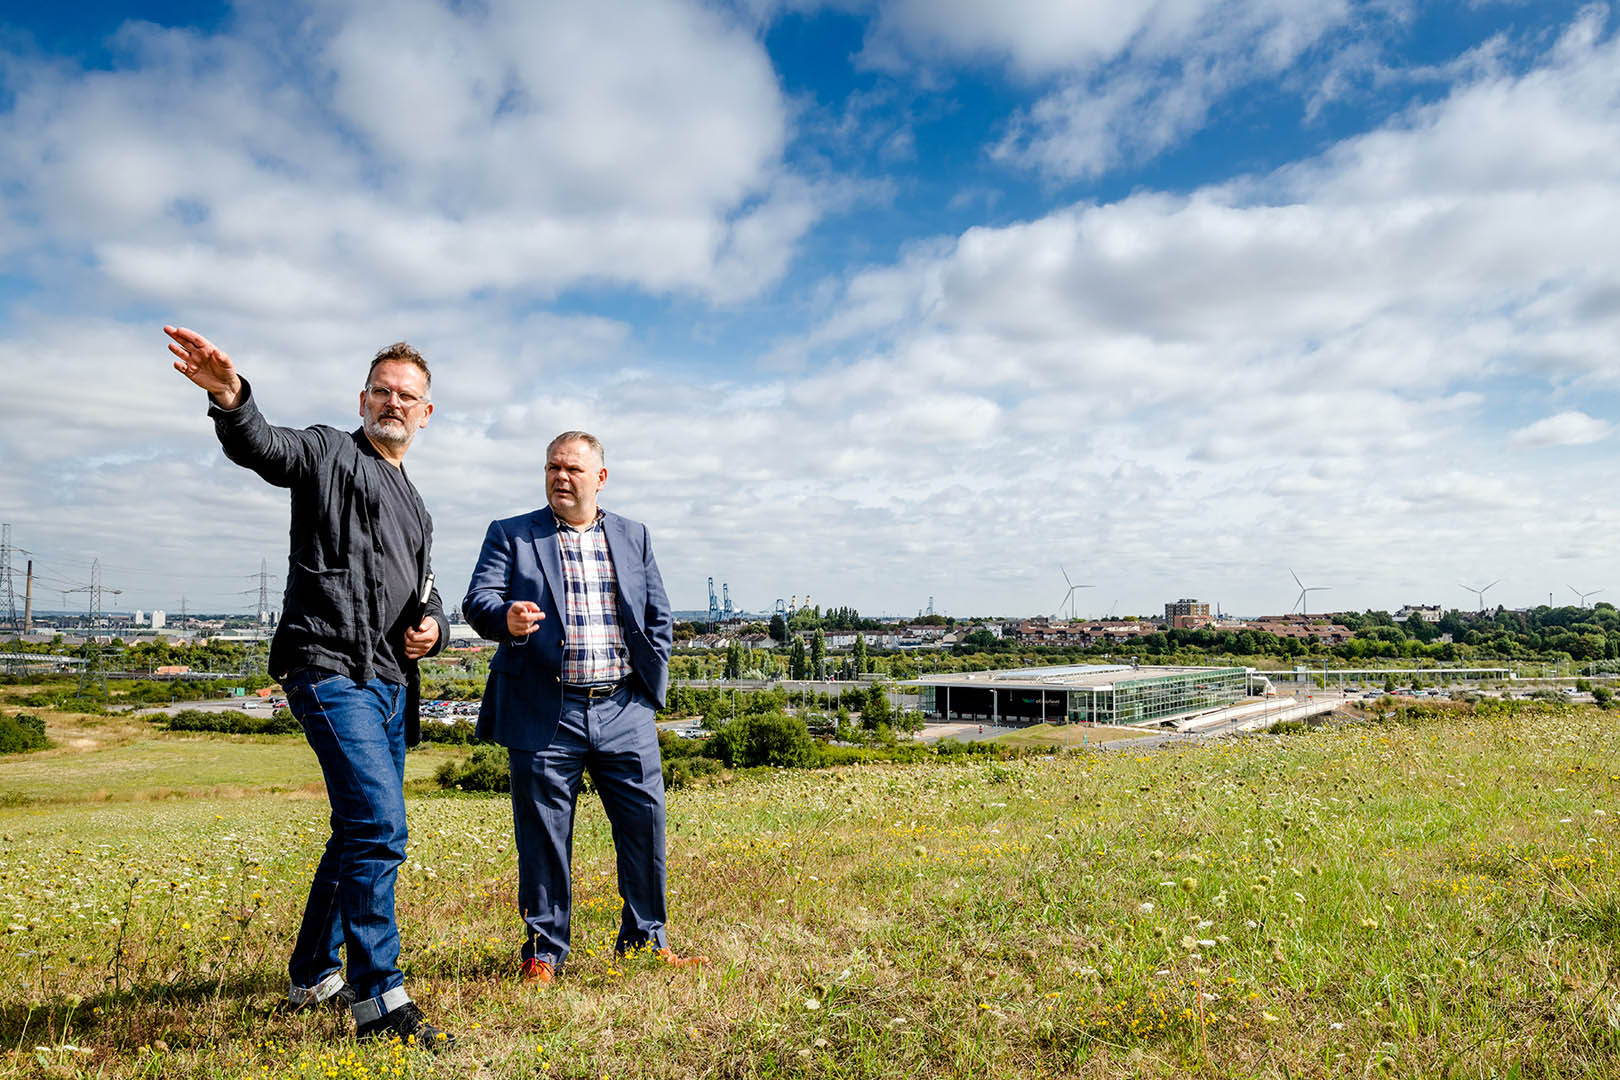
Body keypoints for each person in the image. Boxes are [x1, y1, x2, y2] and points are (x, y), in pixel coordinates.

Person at [165, 325, 454, 1049]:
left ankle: (309, 975)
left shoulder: (416, 504)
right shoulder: (330, 451)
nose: (393, 403)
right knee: (380, 830)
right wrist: (230, 396)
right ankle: (378, 999)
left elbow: (426, 591)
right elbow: (266, 447)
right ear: (363, 399)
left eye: (407, 396)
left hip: (390, 682)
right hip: (328, 668)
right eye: (382, 391)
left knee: (354, 830)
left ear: (427, 413)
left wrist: (436, 629)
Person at [462, 431, 704, 983]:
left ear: (600, 477)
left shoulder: (632, 534)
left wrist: (648, 691)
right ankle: (543, 953)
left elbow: (658, 615)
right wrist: (506, 619)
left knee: (645, 825)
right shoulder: (512, 534)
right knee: (544, 835)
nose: (560, 477)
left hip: (624, 708)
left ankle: (645, 941)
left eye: (572, 468)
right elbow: (478, 601)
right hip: (545, 711)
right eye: (552, 467)